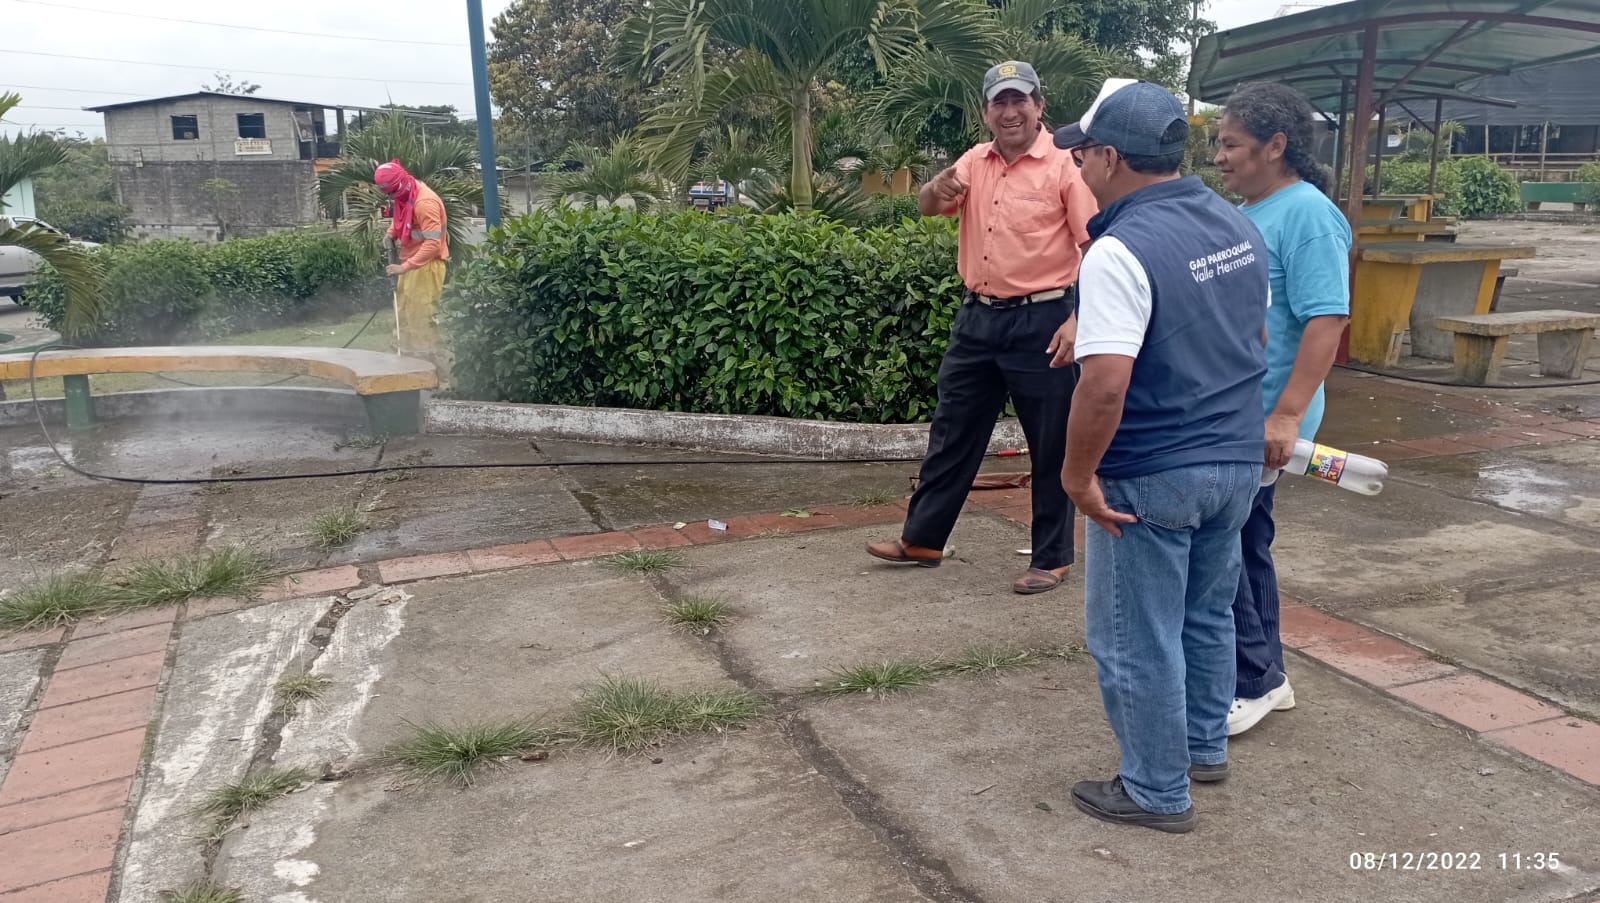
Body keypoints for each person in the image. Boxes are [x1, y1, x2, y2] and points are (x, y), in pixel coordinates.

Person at [1053, 78, 1269, 832]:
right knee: (1206, 615)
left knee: (1134, 635)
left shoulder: (1120, 249)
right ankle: (1203, 748)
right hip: (1236, 462)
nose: (1079, 166)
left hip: (1154, 469)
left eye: (1084, 153)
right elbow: (1253, 339)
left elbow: (1105, 383)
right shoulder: (1236, 226)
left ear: (1111, 158)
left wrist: (1077, 476)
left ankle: (1154, 787)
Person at [866, 60, 1098, 595]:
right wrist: (935, 186)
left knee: (1051, 441)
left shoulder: (1065, 166)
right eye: (1000, 102)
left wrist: (1078, 318)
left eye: (1020, 101)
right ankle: (923, 540)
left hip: (1043, 319)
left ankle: (1052, 557)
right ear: (986, 112)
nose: (1010, 111)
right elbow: (930, 207)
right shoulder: (974, 160)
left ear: (1039, 106)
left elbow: (1094, 247)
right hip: (977, 317)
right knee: (952, 430)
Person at [1214, 82, 1353, 737]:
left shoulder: (1308, 215)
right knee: (1243, 540)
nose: (1219, 157)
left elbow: (1327, 319)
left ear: (1275, 146)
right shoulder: (1249, 211)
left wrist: (1287, 416)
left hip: (1266, 414)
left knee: (1233, 547)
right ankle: (1264, 671)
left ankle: (1256, 679)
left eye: (1231, 144)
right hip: (1232, 412)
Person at [375, 159, 450, 364]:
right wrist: (391, 233)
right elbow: (401, 219)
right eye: (388, 194)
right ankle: (406, 365)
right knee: (404, 317)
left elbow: (433, 244)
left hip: (426, 266)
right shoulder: (406, 195)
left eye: (392, 192)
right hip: (410, 265)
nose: (391, 197)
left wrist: (405, 267)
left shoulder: (424, 203)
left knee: (421, 319)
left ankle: (433, 369)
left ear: (401, 183)